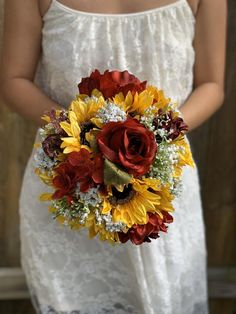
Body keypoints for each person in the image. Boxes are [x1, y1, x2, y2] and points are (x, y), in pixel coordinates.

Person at [0, 0, 226, 313]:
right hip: (72, 188)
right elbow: (14, 80)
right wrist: (83, 134)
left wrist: (155, 138)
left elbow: (212, 85)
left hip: (161, 190)